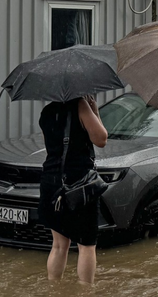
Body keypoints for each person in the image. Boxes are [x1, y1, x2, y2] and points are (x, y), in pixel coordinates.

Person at [39, 96, 108, 283]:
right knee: (86, 244)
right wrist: (95, 112)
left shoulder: (46, 112)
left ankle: (54, 289)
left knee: (59, 245)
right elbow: (101, 139)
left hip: (51, 182)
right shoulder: (80, 105)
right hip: (79, 185)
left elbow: (53, 148)